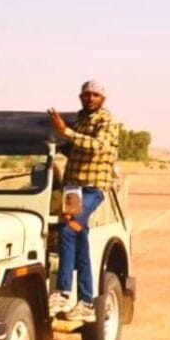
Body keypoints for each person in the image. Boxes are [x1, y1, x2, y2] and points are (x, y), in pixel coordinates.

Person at [47, 80, 120, 323]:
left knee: (70, 229)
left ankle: (63, 292)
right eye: (86, 94)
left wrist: (65, 132)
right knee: (79, 239)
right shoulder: (79, 120)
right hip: (73, 188)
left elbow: (98, 146)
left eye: (95, 95)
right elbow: (72, 148)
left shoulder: (106, 121)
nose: (90, 98)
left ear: (103, 99)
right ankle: (87, 302)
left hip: (92, 188)